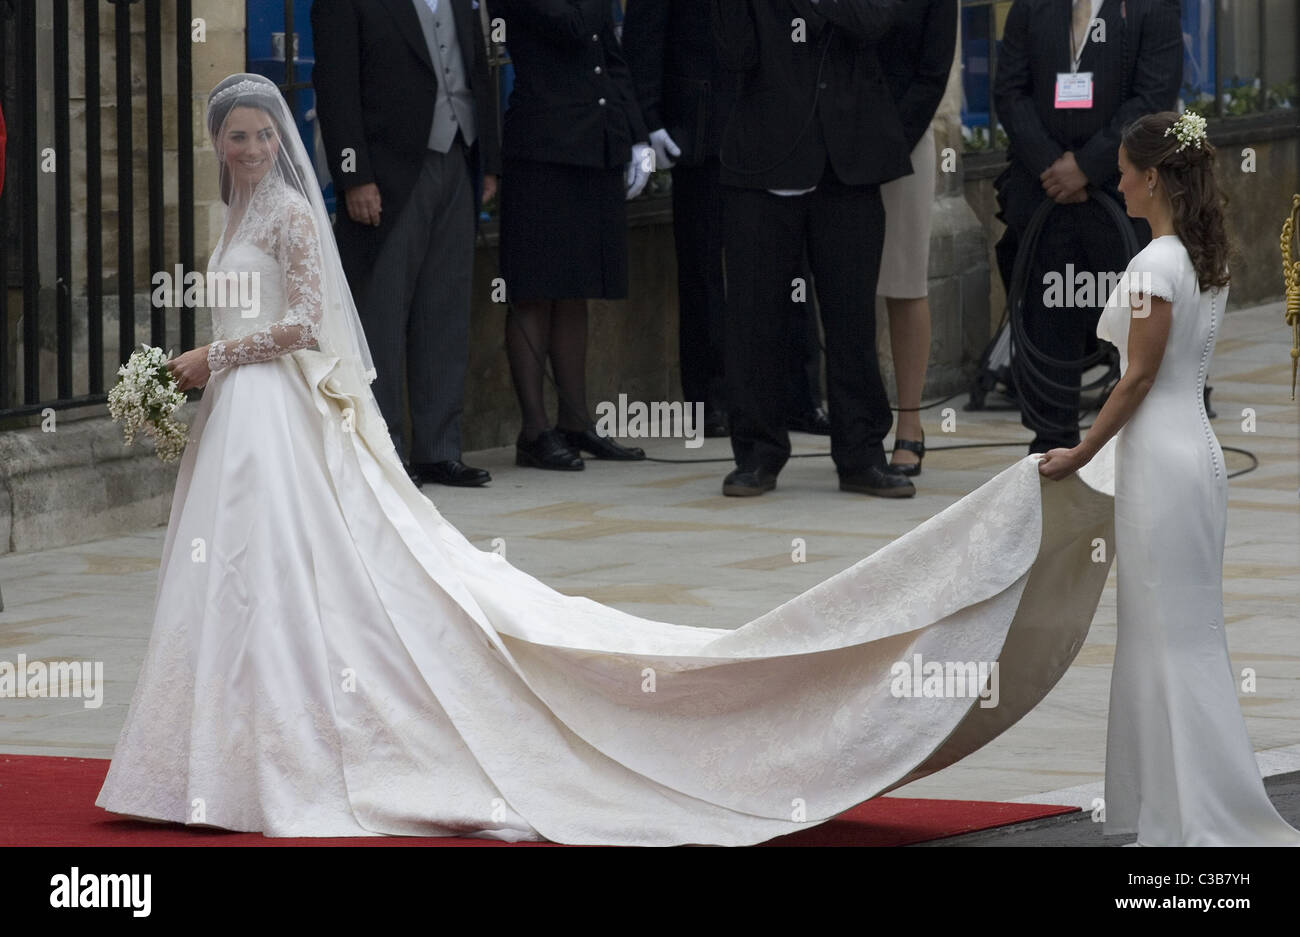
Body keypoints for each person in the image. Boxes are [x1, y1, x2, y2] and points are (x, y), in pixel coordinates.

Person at [95, 74, 1148, 846]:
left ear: (271, 140)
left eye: (251, 134)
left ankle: (270, 754)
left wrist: (204, 358)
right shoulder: (235, 218)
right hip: (240, 420)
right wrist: (199, 374)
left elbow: (311, 324)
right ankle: (209, 755)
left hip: (265, 403)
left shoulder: (284, 212)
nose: (240, 149)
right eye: (227, 137)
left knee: (288, 576)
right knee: (234, 578)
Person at [1038, 112, 1300, 846]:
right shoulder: (1196, 256)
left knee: (1168, 638)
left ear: (1152, 177)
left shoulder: (1156, 263)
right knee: (1173, 636)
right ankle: (1169, 807)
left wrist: (1080, 452)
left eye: (1124, 169)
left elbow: (1139, 377)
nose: (1115, 179)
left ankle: (1186, 815)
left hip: (1163, 463)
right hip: (1193, 457)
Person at [712, 0, 915, 498]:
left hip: (847, 163)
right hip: (763, 163)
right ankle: (757, 454)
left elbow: (873, 22)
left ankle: (861, 455)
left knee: (851, 321)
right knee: (755, 318)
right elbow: (733, 52)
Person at [311, 0, 498, 488]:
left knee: (446, 307)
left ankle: (439, 449)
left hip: (457, 155)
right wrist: (353, 176)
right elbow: (335, 86)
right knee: (382, 315)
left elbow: (480, 70)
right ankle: (383, 448)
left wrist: (489, 161)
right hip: (386, 173)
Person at [994, 0, 1181, 454]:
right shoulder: (1032, 9)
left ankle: (1127, 445)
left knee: (1125, 326)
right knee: (1046, 318)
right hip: (1043, 196)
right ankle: (1050, 445)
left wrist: (1087, 166)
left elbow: (1152, 96)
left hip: (1119, 199)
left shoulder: (1149, 10)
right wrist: (1052, 167)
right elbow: (1010, 91)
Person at [494, 0, 650, 470]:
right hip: (544, 147)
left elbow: (612, 58)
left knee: (576, 289)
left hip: (593, 142)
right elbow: (571, 22)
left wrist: (635, 135)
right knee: (536, 290)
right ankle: (535, 430)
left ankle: (576, 422)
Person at [622, 0, 734, 438]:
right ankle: (709, 401)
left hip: (760, 131)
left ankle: (785, 393)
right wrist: (649, 122)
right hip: (696, 132)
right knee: (702, 269)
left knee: (776, 270)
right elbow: (642, 41)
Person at [876, 0, 958, 475]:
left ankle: (909, 426)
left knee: (904, 282)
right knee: (843, 291)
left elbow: (933, 72)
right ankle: (859, 423)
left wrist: (887, 142)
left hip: (903, 143)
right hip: (836, 142)